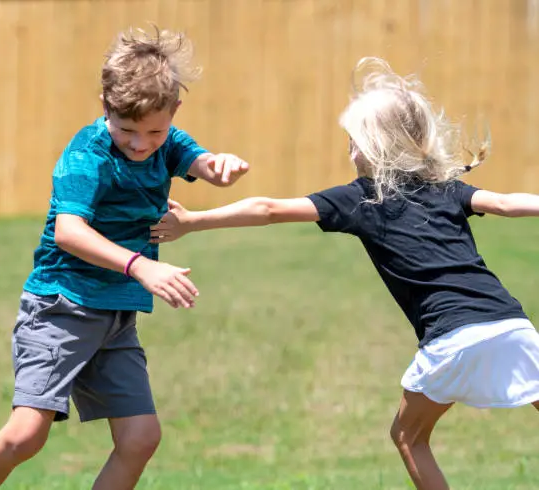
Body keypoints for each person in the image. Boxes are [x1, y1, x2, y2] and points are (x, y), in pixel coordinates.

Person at [150, 57, 539, 490]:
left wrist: (195, 221)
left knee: (408, 437)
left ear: (372, 147)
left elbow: (268, 210)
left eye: (352, 142)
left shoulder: (360, 199)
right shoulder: (448, 188)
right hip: (511, 323)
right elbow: (506, 204)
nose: (348, 151)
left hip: (450, 335)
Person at [0, 26, 249, 490]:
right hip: (62, 306)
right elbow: (70, 232)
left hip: (114, 314)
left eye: (153, 130)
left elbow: (200, 162)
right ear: (105, 107)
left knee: (140, 437)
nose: (139, 143)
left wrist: (219, 167)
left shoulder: (166, 139)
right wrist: (141, 265)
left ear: (174, 112)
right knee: (26, 435)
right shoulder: (86, 156)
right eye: (126, 130)